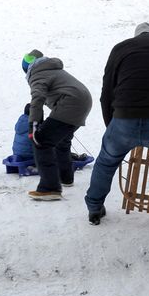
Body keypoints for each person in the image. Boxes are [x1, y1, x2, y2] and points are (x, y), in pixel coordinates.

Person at [83, 23, 149, 242]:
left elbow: (106, 89)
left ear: (136, 36)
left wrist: (111, 123)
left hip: (124, 117)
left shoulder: (121, 48)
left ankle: (94, 208)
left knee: (106, 162)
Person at [21, 50, 93, 201]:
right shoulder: (52, 70)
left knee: (41, 141)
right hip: (83, 102)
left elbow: (38, 98)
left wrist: (33, 125)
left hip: (71, 104)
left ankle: (49, 188)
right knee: (62, 140)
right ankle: (65, 177)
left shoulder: (38, 73)